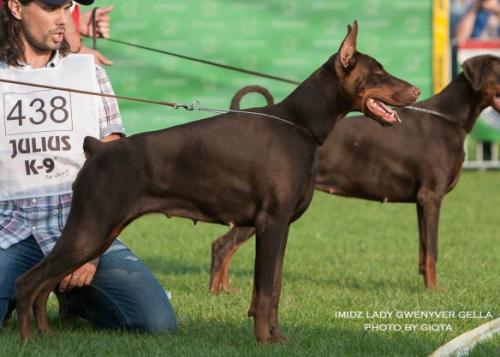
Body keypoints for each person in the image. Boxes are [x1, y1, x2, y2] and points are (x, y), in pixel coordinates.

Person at [0, 0, 177, 333]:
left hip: (82, 230)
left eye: (68, 10)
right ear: (16, 7)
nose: (64, 21)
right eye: (52, 9)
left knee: (156, 324)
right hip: (9, 232)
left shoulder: (89, 72)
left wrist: (94, 249)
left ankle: (75, 299)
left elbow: (114, 169)